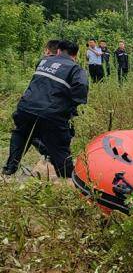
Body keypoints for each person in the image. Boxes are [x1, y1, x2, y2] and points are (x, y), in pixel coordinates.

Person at [3, 41, 88, 178]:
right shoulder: (76, 69)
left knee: (21, 135)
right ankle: (67, 180)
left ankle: (9, 170)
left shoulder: (43, 62)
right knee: (60, 148)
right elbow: (81, 89)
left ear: (58, 51)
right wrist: (71, 107)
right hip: (52, 114)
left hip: (25, 108)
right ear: (76, 55)